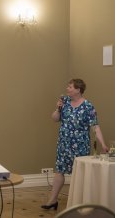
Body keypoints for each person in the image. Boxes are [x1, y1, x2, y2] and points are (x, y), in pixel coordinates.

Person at [41, 78, 108, 211]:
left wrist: (103, 144)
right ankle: (52, 200)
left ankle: (79, 203)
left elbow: (95, 127)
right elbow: (54, 118)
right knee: (59, 171)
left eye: (70, 87)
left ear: (78, 90)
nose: (67, 89)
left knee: (79, 173)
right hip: (64, 144)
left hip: (80, 145)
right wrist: (58, 108)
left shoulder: (88, 106)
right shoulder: (64, 102)